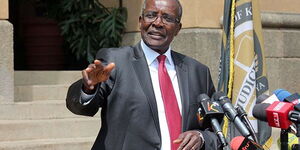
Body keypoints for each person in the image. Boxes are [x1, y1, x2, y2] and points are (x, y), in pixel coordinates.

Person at [66, 0, 220, 149]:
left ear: (178, 28)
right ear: (140, 21)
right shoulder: (116, 61)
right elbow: (81, 108)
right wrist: (88, 89)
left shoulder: (198, 72)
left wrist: (201, 138)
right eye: (151, 15)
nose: (158, 23)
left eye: (167, 18)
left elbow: (216, 128)